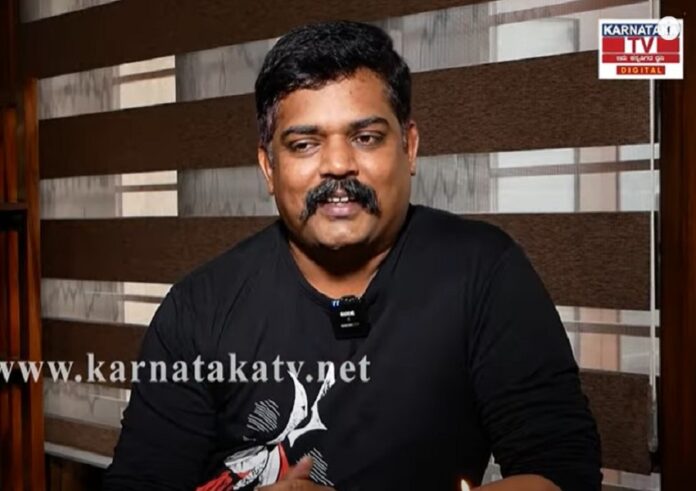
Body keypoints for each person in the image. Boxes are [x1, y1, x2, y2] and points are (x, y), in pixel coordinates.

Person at [103, 20, 601, 491]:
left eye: (365, 138)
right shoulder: (199, 308)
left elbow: (561, 471)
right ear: (268, 167)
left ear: (409, 147)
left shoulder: (483, 272)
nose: (338, 164)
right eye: (304, 144)